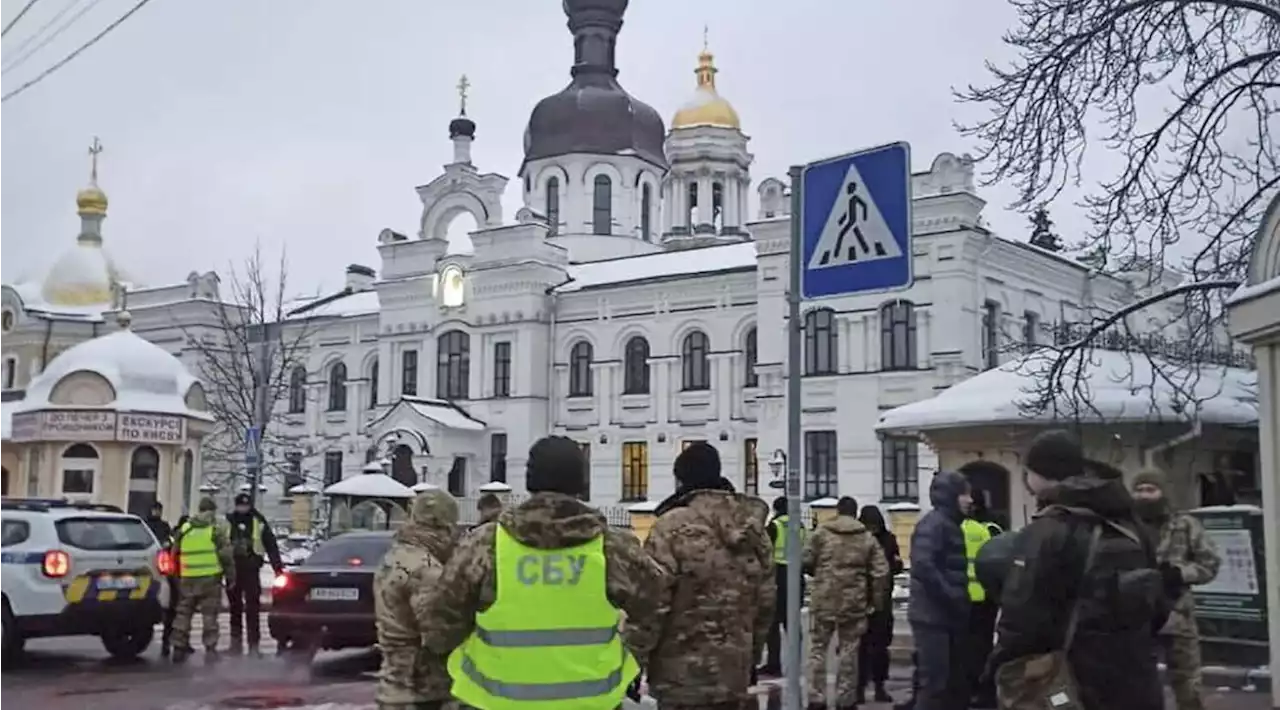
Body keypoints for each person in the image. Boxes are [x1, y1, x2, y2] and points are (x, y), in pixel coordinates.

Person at [420, 435, 664, 710]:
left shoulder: (485, 544)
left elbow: (438, 628)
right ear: (582, 482)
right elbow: (656, 607)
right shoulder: (612, 547)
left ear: (529, 480)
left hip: (496, 702)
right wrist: (628, 655)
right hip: (592, 702)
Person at [992, 429, 1167, 710]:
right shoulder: (1131, 523)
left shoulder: (1049, 530)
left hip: (1073, 684)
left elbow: (1023, 618)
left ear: (1039, 475)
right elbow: (1158, 604)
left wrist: (1001, 667)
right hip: (1136, 680)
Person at [627, 442, 774, 710]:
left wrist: (632, 662)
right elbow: (765, 603)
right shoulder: (754, 532)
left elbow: (650, 604)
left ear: (682, 480)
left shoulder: (671, 528)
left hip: (679, 681)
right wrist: (750, 657)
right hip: (734, 676)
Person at [1132, 467, 1221, 710]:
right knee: (1137, 681)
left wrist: (1180, 573)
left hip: (1176, 612)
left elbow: (1210, 564)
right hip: (1136, 614)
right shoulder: (1126, 527)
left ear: (1163, 492)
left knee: (1187, 683)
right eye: (1139, 490)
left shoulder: (1184, 525)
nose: (1144, 495)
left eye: (1151, 489)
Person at [373, 489, 461, 710]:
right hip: (422, 693)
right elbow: (439, 635)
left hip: (392, 687)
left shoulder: (394, 557)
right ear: (445, 525)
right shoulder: (426, 569)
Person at [804, 496, 889, 710]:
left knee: (818, 649)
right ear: (855, 512)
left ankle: (816, 697)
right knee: (849, 651)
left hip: (824, 598)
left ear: (838, 510)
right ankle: (845, 699)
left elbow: (806, 559)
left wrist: (820, 573)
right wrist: (876, 601)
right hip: (854, 602)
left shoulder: (822, 533)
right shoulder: (866, 538)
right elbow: (881, 571)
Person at [907, 470, 972, 710]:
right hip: (933, 617)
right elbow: (923, 565)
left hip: (944, 616)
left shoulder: (948, 524)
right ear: (951, 496)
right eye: (965, 494)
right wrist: (953, 595)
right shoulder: (935, 524)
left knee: (948, 684)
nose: (970, 500)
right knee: (934, 685)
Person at [170, 497, 234, 664]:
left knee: (183, 613)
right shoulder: (215, 530)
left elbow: (174, 554)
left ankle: (178, 647)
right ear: (211, 511)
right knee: (209, 616)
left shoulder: (185, 528)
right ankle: (210, 649)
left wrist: (177, 575)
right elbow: (226, 556)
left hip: (187, 578)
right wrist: (230, 577)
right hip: (210, 579)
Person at [225, 492, 284, 656]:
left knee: (252, 608)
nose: (242, 508)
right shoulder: (229, 521)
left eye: (245, 505)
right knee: (235, 608)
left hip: (251, 569)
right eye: (240, 505)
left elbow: (271, 545)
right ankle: (235, 644)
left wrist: (278, 568)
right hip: (233, 570)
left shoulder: (258, 521)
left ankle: (253, 646)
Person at [857, 504, 904, 705]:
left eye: (874, 525)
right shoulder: (857, 540)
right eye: (869, 525)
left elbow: (895, 563)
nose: (872, 529)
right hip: (860, 599)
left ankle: (879, 685)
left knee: (880, 646)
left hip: (882, 601)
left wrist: (895, 565)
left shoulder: (888, 539)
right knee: (860, 647)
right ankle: (859, 687)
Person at [961, 492, 1003, 709]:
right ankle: (984, 690)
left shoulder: (964, 528)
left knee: (967, 646)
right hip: (987, 597)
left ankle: (970, 689)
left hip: (964, 597)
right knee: (984, 645)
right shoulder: (993, 528)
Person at [759, 495, 807, 678]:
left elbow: (765, 551)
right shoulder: (800, 526)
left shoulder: (775, 526)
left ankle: (774, 664)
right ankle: (795, 662)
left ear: (777, 509)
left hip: (778, 577)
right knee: (792, 624)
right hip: (796, 576)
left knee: (773, 625)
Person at [143, 501, 179, 658]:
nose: (156, 512)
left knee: (170, 607)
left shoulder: (164, 527)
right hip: (148, 569)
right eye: (154, 510)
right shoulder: (145, 525)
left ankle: (167, 641)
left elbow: (171, 543)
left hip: (164, 570)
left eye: (158, 510)